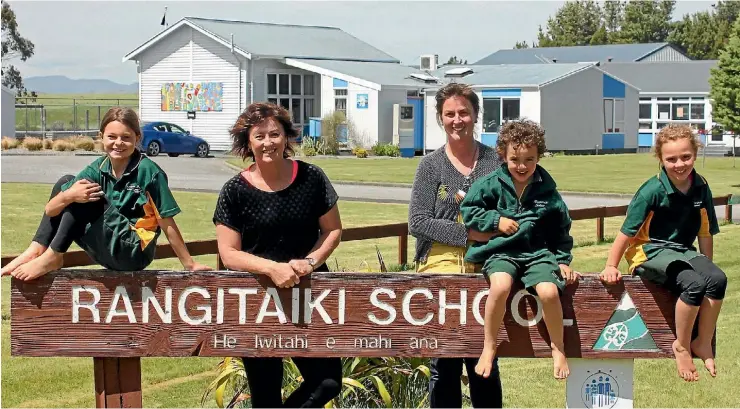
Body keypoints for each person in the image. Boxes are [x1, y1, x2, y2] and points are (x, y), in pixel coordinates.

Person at [213, 102, 343, 408]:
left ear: (286, 137)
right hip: (255, 301)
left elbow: (333, 231)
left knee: (327, 381)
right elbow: (228, 252)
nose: (268, 142)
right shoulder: (234, 191)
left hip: (309, 296)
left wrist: (311, 261)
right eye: (259, 136)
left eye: (275, 134)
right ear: (247, 142)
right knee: (266, 396)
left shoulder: (312, 178)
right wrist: (273, 269)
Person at [1, 107, 210, 280]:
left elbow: (167, 222)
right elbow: (50, 210)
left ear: (137, 138)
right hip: (105, 247)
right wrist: (68, 196)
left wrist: (189, 264)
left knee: (87, 193)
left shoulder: (149, 172)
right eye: (112, 137)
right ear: (101, 137)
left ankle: (53, 256)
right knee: (67, 184)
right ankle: (37, 250)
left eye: (126, 137)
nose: (118, 143)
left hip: (133, 252)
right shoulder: (97, 167)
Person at [599, 124, 726, 382]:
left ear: (695, 152)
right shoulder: (652, 190)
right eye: (671, 159)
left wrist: (706, 265)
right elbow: (626, 232)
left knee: (717, 279)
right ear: (661, 159)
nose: (679, 164)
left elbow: (705, 231)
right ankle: (681, 345)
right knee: (692, 284)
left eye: (686, 156)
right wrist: (611, 265)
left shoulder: (701, 186)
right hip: (648, 251)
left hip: (682, 250)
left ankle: (702, 341)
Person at [408, 83, 503, 408]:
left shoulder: (496, 162)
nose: (457, 119)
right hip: (439, 266)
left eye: (464, 112)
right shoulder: (430, 166)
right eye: (450, 114)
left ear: (476, 115)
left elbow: (512, 213)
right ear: (440, 118)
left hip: (486, 268)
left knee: (484, 361)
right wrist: (470, 234)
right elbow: (418, 222)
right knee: (444, 362)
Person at [460, 119, 578, 381]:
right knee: (500, 287)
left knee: (548, 291)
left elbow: (561, 229)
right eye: (515, 159)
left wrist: (562, 260)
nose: (522, 166)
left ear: (539, 157)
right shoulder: (490, 183)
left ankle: (558, 347)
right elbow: (468, 210)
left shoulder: (548, 191)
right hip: (502, 252)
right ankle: (489, 346)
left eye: (529, 159)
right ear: (503, 154)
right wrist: (495, 222)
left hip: (538, 253)